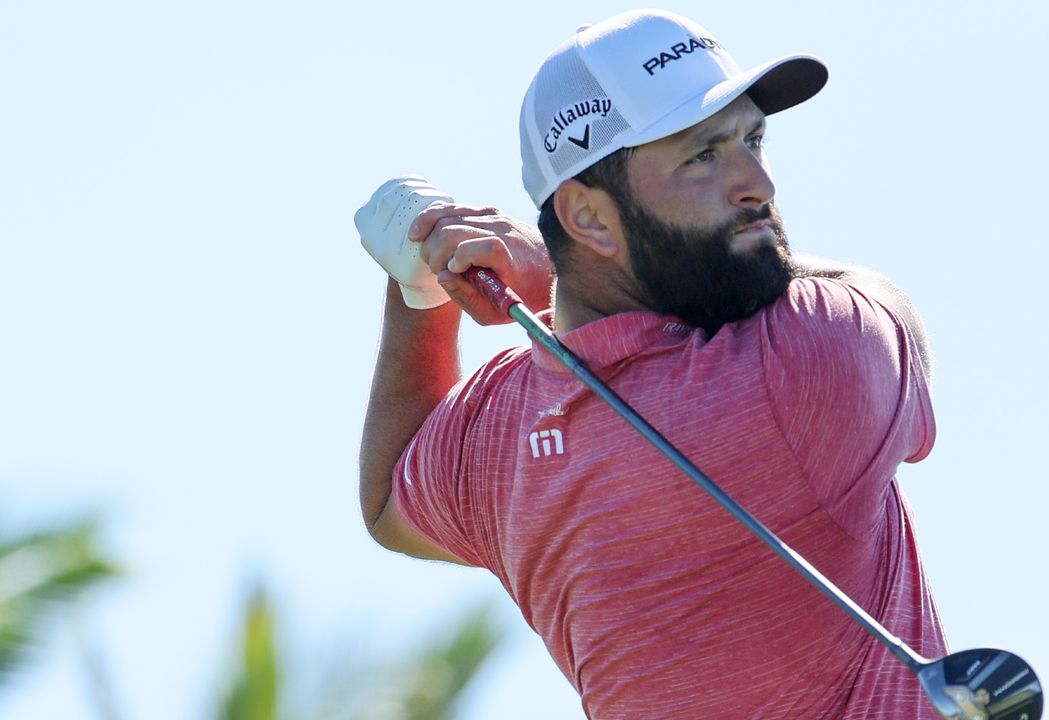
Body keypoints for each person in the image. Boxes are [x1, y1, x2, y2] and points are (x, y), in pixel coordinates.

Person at [356, 9, 945, 719]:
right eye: (704, 155)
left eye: (752, 138)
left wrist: (419, 292)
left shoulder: (504, 440)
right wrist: (544, 279)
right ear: (591, 219)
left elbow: (390, 500)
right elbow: (883, 303)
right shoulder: (810, 362)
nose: (757, 181)